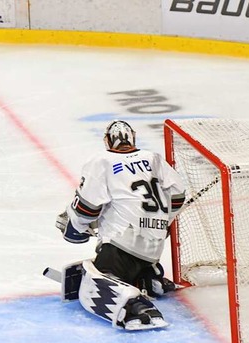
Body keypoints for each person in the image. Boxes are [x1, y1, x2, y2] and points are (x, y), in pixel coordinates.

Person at [55, 120, 186, 331]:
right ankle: (149, 277)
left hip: (120, 244)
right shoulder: (153, 158)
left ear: (107, 141)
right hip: (154, 247)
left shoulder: (102, 161)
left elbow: (86, 208)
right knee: (134, 261)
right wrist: (162, 223)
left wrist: (76, 229)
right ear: (133, 137)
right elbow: (178, 196)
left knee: (98, 278)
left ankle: (137, 307)